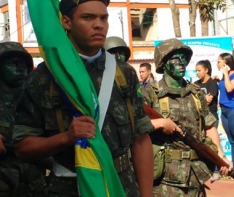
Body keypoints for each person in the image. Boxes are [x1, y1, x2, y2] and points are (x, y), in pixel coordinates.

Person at [12, 1, 155, 197]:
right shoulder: (45, 77)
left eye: (103, 18)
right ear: (66, 22)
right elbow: (22, 147)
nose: (99, 25)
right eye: (88, 17)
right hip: (69, 187)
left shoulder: (123, 73)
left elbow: (141, 139)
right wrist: (66, 138)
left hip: (121, 186)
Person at [143, 38, 233, 196]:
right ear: (163, 63)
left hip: (195, 174)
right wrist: (160, 123)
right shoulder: (151, 93)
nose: (181, 62)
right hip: (165, 180)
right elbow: (135, 125)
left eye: (184, 58)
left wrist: (220, 156)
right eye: (176, 58)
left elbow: (209, 126)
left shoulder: (196, 93)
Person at [0, 41, 46, 196]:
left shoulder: (39, 101)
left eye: (23, 63)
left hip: (36, 186)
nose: (20, 67)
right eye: (12, 63)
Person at [194, 59, 223, 182]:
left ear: (206, 70)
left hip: (211, 119)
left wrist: (200, 99)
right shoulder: (195, 83)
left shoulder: (212, 84)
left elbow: (208, 100)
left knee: (213, 145)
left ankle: (216, 171)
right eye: (196, 71)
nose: (197, 73)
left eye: (199, 70)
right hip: (199, 119)